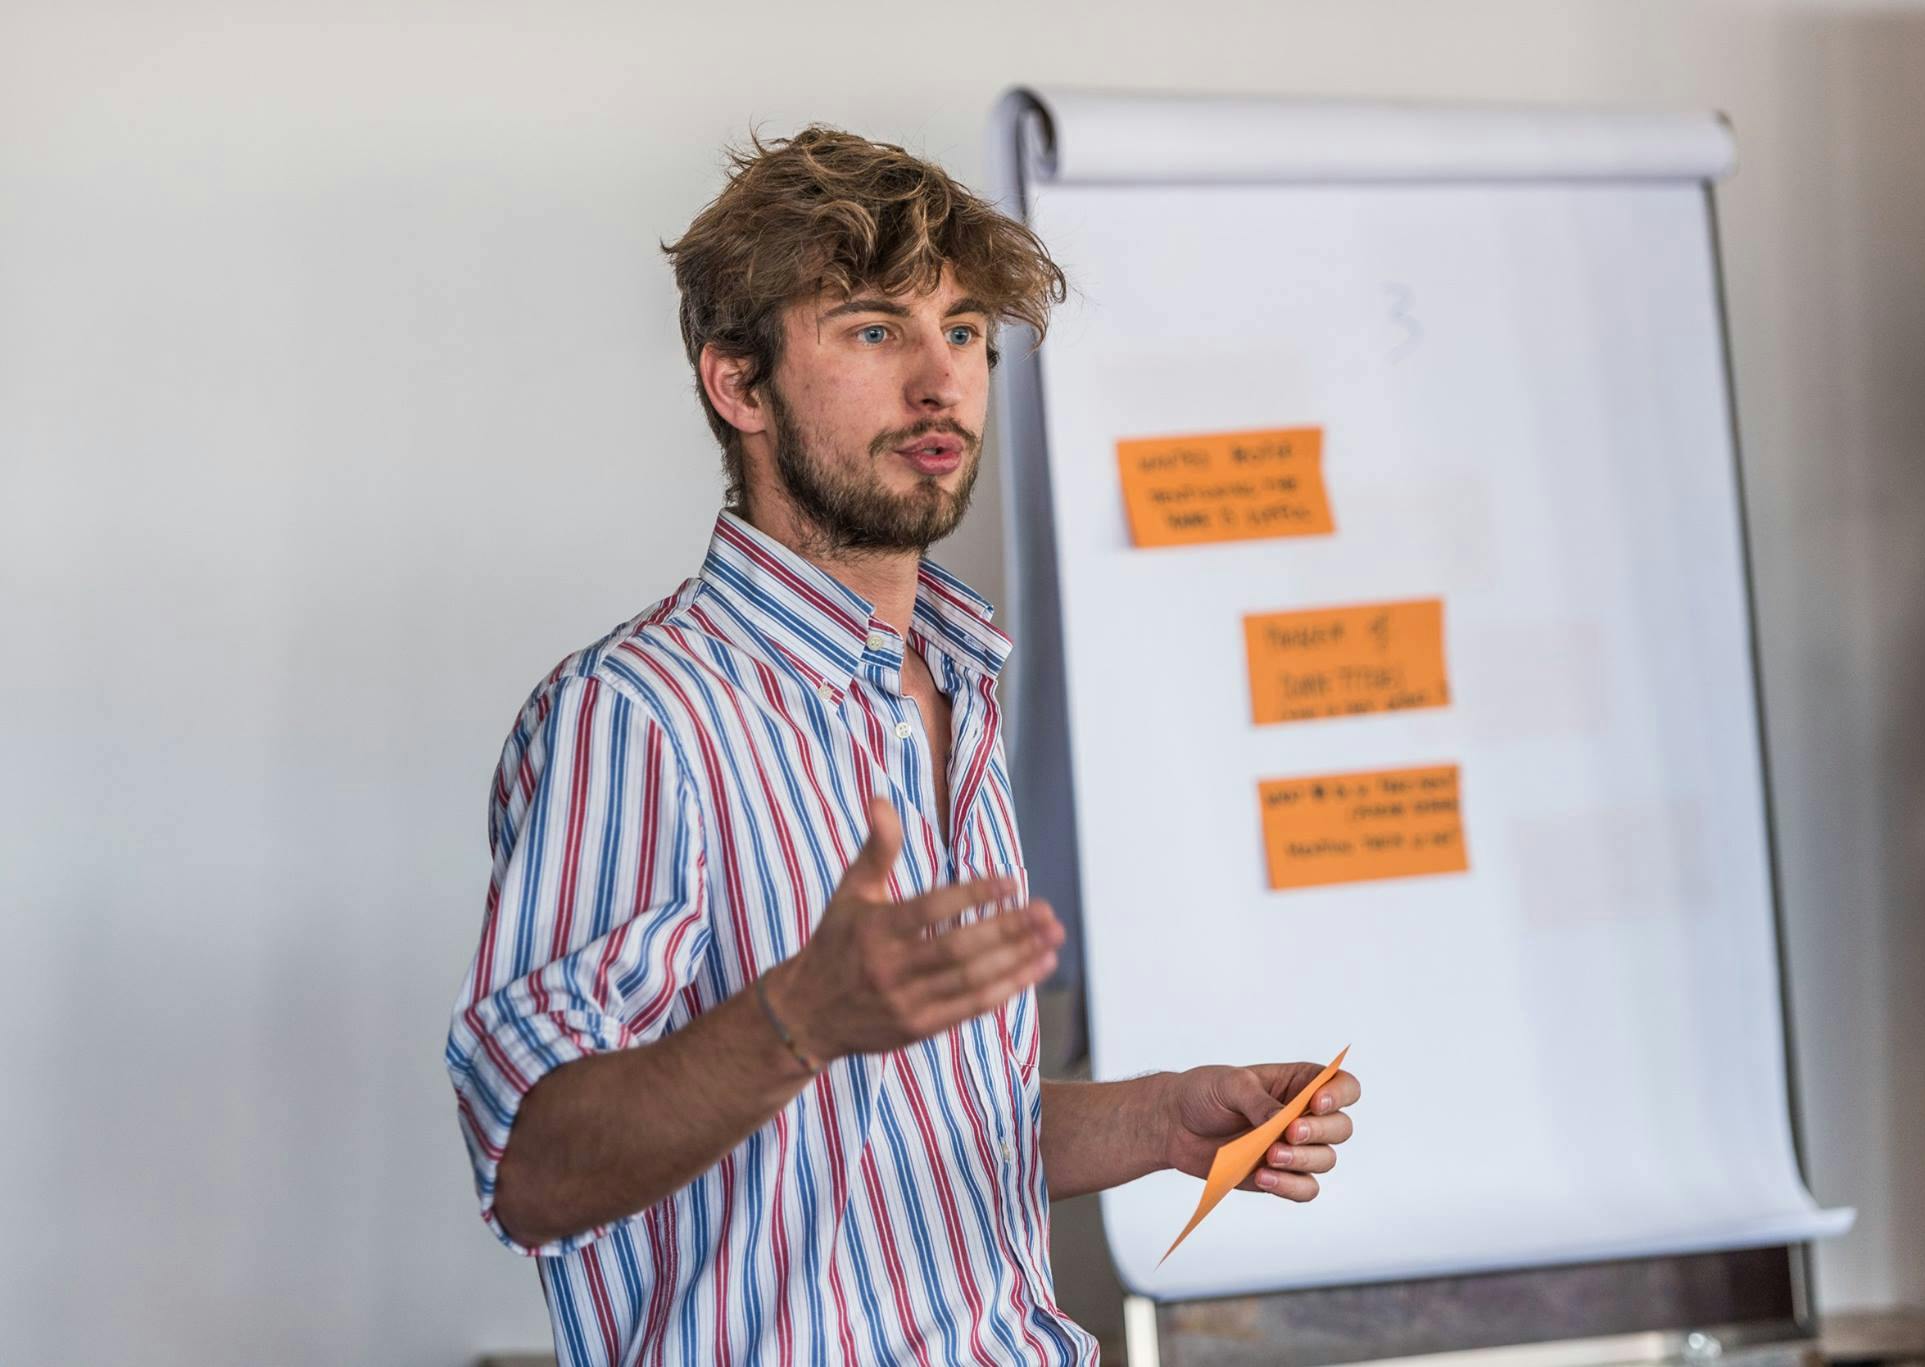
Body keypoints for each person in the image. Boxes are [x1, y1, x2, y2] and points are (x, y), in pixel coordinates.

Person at [445, 125, 1362, 1366]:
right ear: (739, 384)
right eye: (875, 331)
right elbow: (534, 1167)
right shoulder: (640, 713)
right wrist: (795, 1020)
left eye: (967, 330)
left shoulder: (959, 679)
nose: (942, 383)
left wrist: (1158, 1118)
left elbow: (894, 1129)